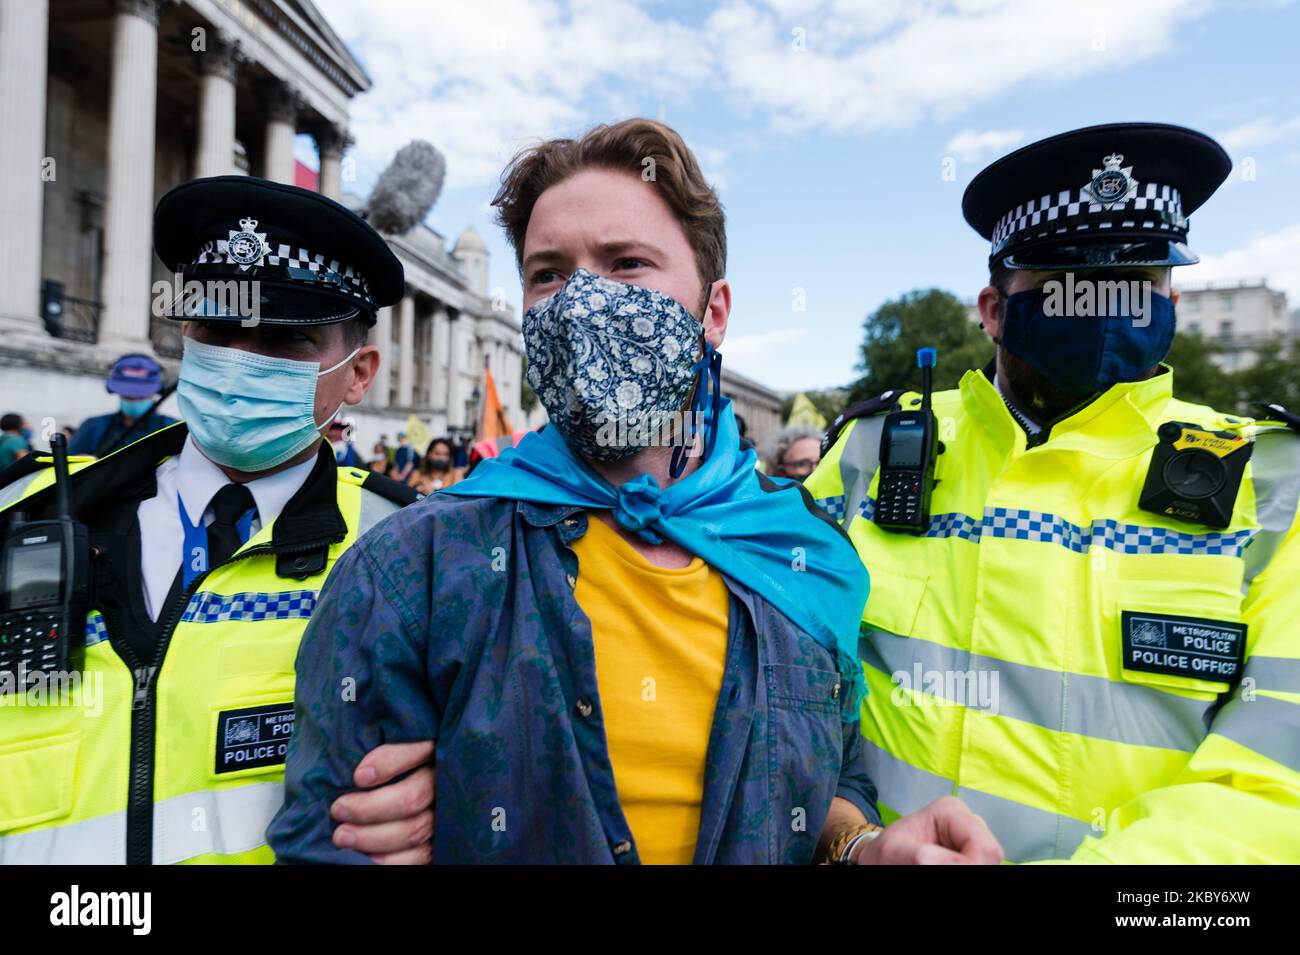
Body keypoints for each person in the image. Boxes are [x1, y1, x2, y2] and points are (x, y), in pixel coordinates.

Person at [269, 118, 1001, 866]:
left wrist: (863, 848)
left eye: (626, 264)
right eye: (548, 273)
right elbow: (329, 837)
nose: (582, 301)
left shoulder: (805, 556)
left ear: (713, 313)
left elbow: (829, 786)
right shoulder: (413, 563)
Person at [808, 123, 1300, 863]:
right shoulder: (870, 451)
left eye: (1138, 283)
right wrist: (851, 841)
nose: (1103, 309)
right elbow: (783, 682)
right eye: (1066, 285)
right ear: (994, 308)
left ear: (1171, 296)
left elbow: (1274, 790)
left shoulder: (1271, 487)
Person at [0, 176, 436, 864]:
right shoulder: (24, 516)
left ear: (359, 374)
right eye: (218, 328)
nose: (238, 361)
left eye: (284, 341)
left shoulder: (405, 548)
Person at [68, 353, 179, 458]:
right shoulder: (94, 427)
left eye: (141, 396)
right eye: (128, 396)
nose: (134, 400)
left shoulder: (173, 430)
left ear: (157, 391)